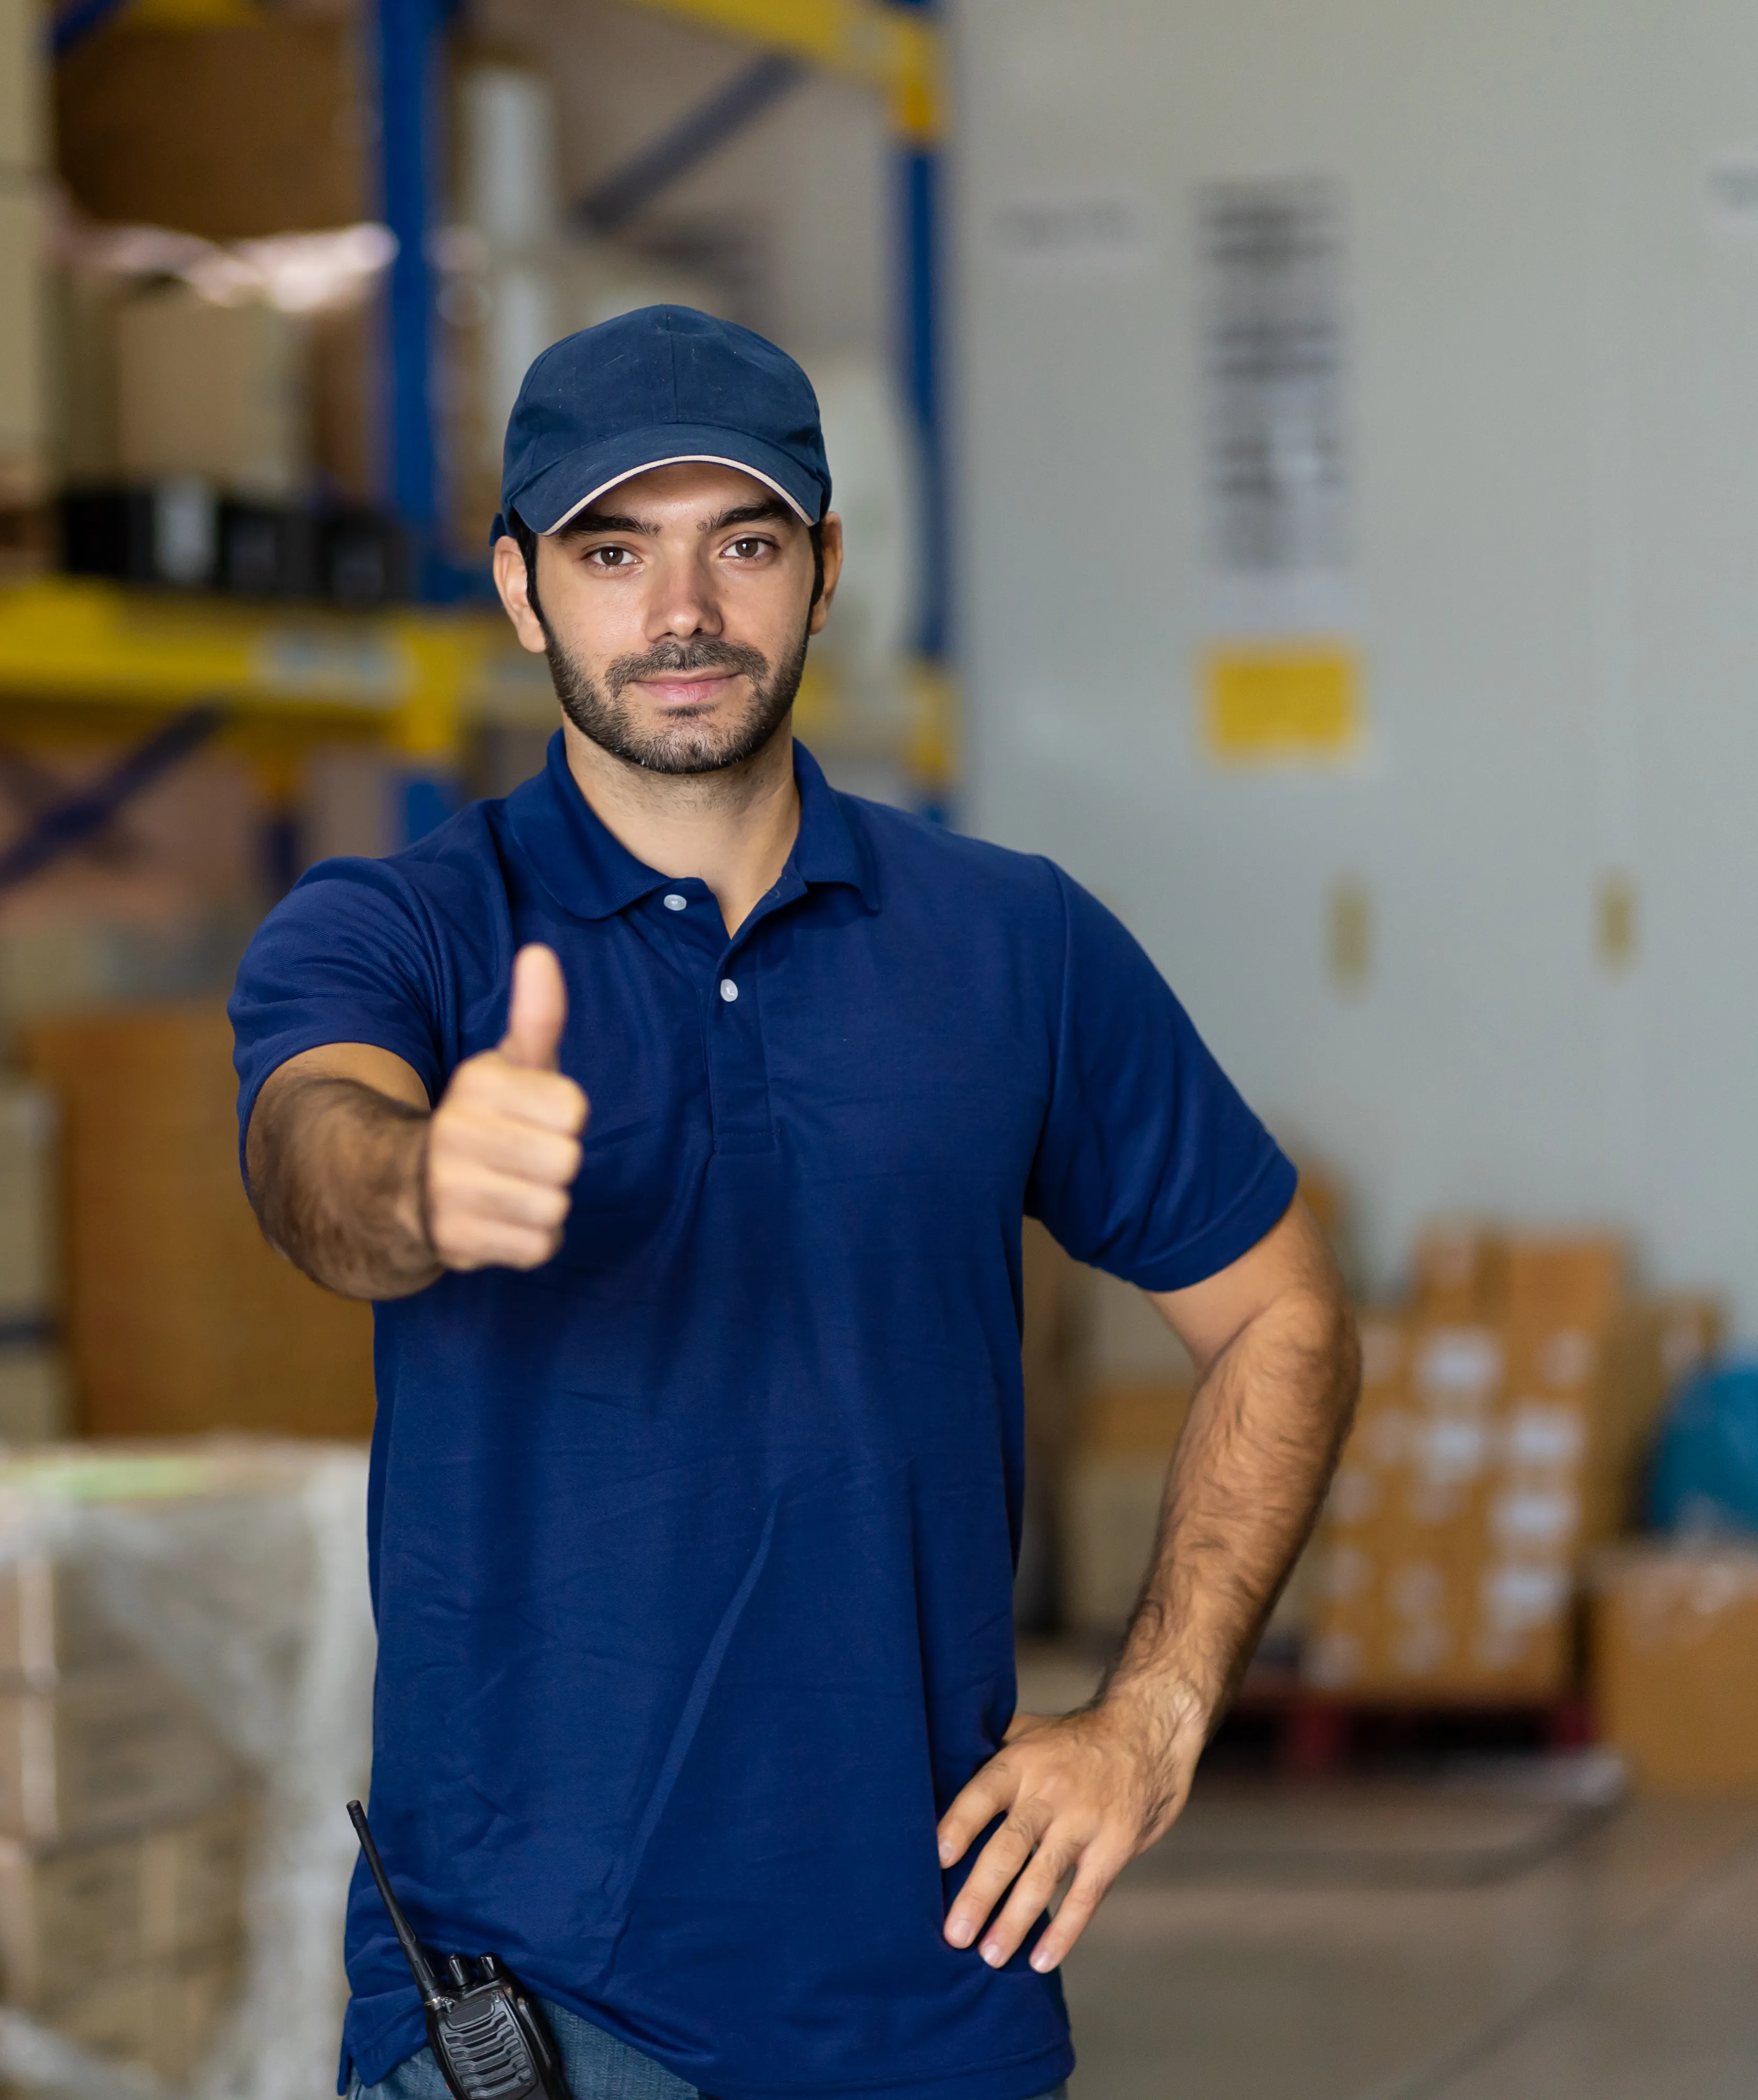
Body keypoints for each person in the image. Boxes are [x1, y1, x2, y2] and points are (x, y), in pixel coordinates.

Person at [229, 305, 1358, 2100]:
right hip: (533, 2019)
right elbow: (316, 1158)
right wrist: (424, 1181)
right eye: (615, 549)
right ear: (523, 590)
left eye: (740, 542)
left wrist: (1153, 1720)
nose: (681, 613)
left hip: (934, 2009)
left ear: (825, 571)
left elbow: (1282, 1314)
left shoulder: (1016, 945)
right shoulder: (402, 934)